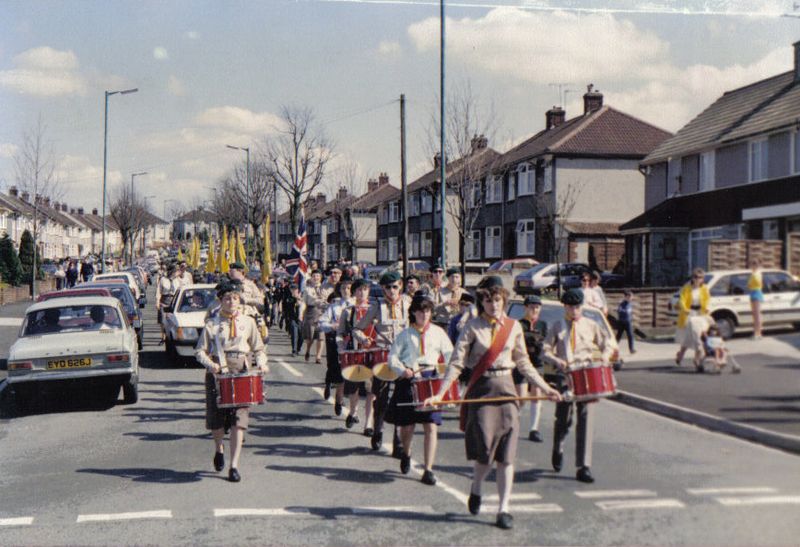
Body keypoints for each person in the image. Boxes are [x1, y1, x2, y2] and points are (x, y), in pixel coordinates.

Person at [423, 276, 561, 530]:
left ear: (504, 300)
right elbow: (456, 363)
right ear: (482, 301)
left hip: (507, 391)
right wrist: (441, 393)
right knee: (485, 455)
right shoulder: (472, 327)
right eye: (488, 299)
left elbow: (524, 363)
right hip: (482, 392)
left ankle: (503, 508)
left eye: (497, 299)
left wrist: (545, 387)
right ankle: (476, 488)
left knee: (507, 456)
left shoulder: (513, 327)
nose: (493, 304)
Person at [195, 281, 268, 483]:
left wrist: (262, 363)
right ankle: (219, 448)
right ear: (221, 301)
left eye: (235, 298)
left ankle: (234, 465)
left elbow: (258, 348)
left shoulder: (248, 322)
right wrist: (211, 365)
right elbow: (199, 351)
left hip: (242, 370)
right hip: (218, 371)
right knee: (216, 420)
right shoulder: (212, 324)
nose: (231, 302)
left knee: (239, 421)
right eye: (227, 298)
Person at [543, 288, 615, 485]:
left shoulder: (591, 325)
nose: (573, 310)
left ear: (581, 306)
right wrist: (557, 360)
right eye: (569, 307)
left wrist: (605, 358)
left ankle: (584, 466)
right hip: (565, 375)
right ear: (564, 307)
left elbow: (607, 344)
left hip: (586, 373)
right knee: (564, 418)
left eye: (576, 306)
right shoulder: (557, 326)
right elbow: (545, 349)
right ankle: (558, 446)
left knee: (586, 419)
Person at [386, 294, 453, 485]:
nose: (424, 315)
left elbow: (450, 355)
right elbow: (392, 358)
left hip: (430, 380)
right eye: (421, 311)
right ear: (413, 313)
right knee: (407, 426)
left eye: (428, 311)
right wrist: (403, 370)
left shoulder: (439, 333)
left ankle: (428, 469)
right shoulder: (405, 335)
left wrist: (445, 372)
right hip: (409, 380)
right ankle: (406, 453)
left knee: (431, 425)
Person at [353, 270, 410, 451]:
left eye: (395, 286)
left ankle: (398, 441)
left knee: (401, 398)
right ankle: (378, 429)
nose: (392, 290)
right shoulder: (377, 306)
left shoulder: (408, 304)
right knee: (382, 397)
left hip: (403, 357)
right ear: (383, 289)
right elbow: (357, 328)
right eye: (388, 287)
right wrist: (364, 339)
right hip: (383, 355)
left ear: (400, 286)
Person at [337, 278, 375, 431]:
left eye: (365, 289)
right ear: (354, 292)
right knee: (354, 388)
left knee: (372, 389)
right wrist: (341, 348)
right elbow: (340, 332)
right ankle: (353, 412)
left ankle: (369, 423)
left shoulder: (375, 309)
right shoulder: (348, 311)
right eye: (359, 289)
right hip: (354, 352)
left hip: (372, 353)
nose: (362, 292)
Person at [319, 278, 353, 415]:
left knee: (346, 373)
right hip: (335, 340)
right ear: (340, 290)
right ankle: (331, 389)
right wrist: (332, 326)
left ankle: (342, 402)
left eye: (349, 288)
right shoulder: (334, 305)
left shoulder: (356, 305)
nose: (346, 291)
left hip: (351, 342)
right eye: (344, 288)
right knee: (334, 368)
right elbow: (322, 322)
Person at [516, 295, 548, 443]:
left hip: (537, 363)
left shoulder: (542, 325)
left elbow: (545, 342)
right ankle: (513, 423)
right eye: (531, 307)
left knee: (536, 393)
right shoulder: (519, 324)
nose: (534, 310)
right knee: (521, 396)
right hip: (521, 362)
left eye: (537, 307)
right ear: (525, 308)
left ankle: (533, 429)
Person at [675, 268, 712, 371]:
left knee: (695, 336)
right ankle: (692, 357)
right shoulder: (686, 288)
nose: (697, 279)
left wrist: (707, 308)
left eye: (700, 277)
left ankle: (687, 356)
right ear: (692, 278)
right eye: (695, 277)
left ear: (703, 279)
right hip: (689, 314)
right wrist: (685, 309)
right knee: (693, 336)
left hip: (700, 313)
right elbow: (682, 300)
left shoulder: (705, 289)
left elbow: (707, 300)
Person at [301, 270, 327, 364]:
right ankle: (308, 350)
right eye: (314, 276)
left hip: (323, 313)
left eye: (318, 276)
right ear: (311, 278)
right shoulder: (307, 289)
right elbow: (304, 302)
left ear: (321, 278)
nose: (316, 278)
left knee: (321, 336)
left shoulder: (324, 288)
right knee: (310, 337)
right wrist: (301, 313)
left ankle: (318, 356)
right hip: (311, 312)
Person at [284, 284, 303, 356]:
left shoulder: (302, 297)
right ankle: (294, 350)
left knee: (301, 336)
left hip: (301, 319)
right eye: (292, 289)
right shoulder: (289, 298)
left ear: (298, 290)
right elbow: (287, 306)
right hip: (293, 318)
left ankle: (298, 348)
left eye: (295, 289)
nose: (293, 291)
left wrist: (299, 299)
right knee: (294, 334)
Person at [748, 258, 764, 340]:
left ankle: (758, 333)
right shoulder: (753, 273)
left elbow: (758, 283)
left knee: (757, 315)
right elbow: (749, 285)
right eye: (752, 263)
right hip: (752, 293)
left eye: (754, 263)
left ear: (758, 265)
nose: (753, 265)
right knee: (754, 315)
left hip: (757, 292)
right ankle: (756, 332)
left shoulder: (758, 273)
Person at [615, 290, 636, 354]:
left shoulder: (630, 304)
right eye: (629, 297)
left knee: (630, 335)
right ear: (626, 297)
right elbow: (619, 311)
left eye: (631, 296)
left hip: (628, 322)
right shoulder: (622, 304)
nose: (631, 298)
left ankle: (631, 349)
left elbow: (630, 313)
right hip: (622, 322)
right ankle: (614, 348)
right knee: (618, 335)